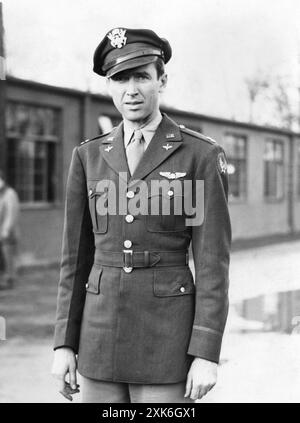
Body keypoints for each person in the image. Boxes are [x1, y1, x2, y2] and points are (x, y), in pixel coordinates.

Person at [51, 28, 231, 403]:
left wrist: (206, 352)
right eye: (119, 78)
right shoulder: (89, 156)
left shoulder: (198, 155)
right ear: (109, 86)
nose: (130, 89)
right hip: (99, 339)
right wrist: (63, 344)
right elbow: (75, 260)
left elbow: (213, 263)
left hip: (167, 340)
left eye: (141, 76)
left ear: (161, 81)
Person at [0, 169, 20, 289]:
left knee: (8, 255)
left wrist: (6, 230)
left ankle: (10, 278)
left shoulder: (9, 194)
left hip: (8, 232)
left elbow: (11, 214)